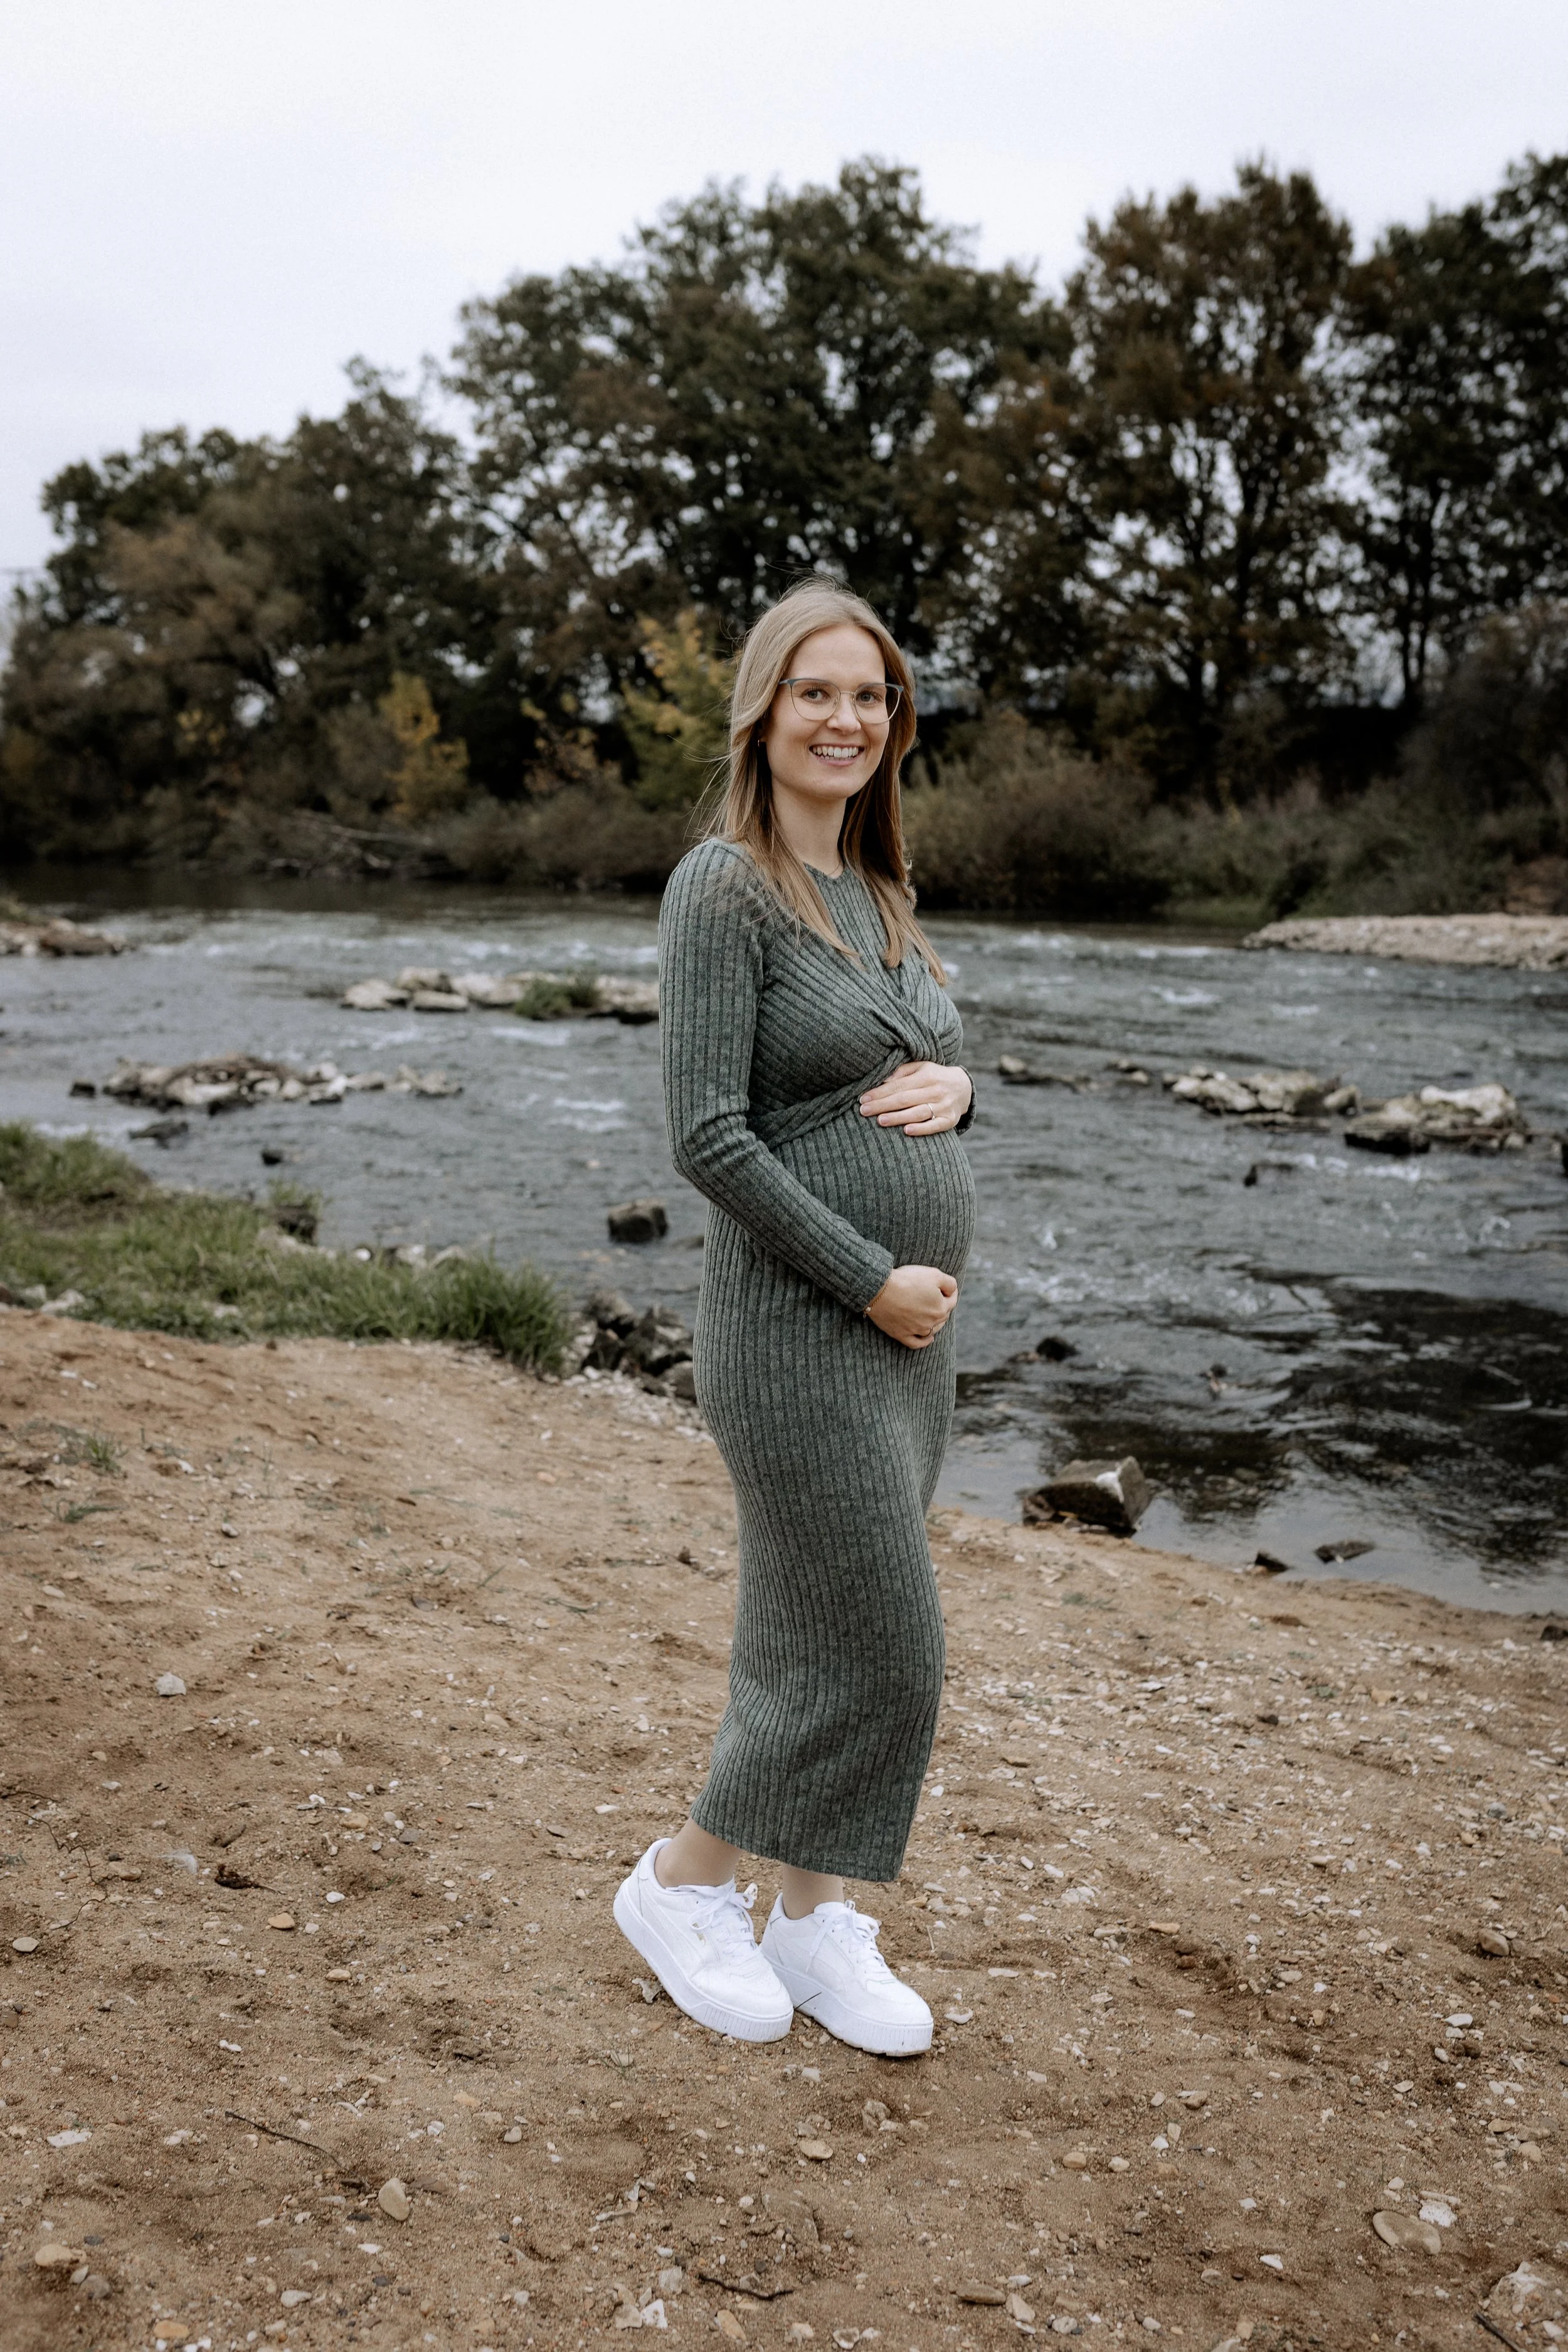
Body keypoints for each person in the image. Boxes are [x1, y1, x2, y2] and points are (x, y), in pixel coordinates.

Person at [613, 580, 975, 2055]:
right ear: (761, 710)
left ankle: (816, 1919)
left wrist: (966, 1088)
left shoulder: (877, 892)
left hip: (906, 1354)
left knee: (817, 1634)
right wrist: (869, 1276)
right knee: (889, 1644)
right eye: (817, 693)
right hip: (801, 1333)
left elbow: (913, 1064)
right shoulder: (721, 887)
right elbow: (705, 1135)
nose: (847, 719)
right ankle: (683, 1883)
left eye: (871, 698)